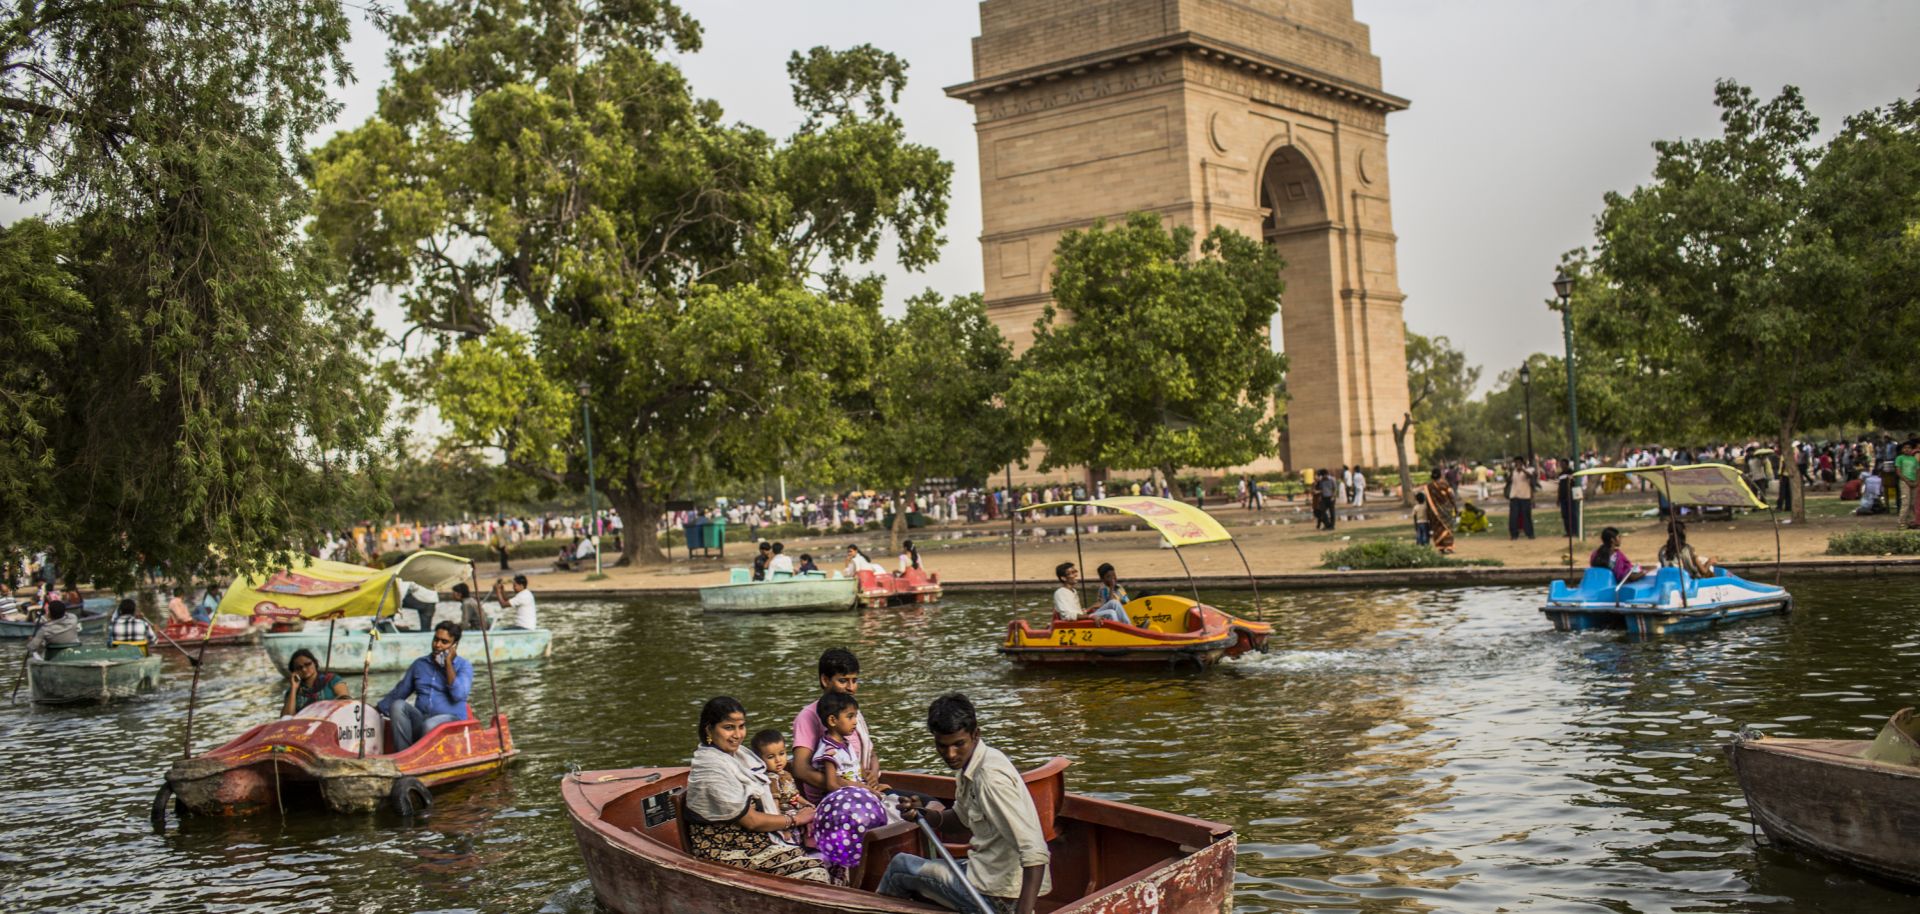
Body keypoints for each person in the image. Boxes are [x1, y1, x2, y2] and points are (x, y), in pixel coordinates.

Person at [881, 693, 1050, 914]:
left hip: (999, 897)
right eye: (943, 746)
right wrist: (922, 815)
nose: (950, 754)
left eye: (958, 744)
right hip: (986, 874)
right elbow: (960, 820)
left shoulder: (989, 779)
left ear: (975, 734)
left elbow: (1035, 851)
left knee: (899, 867)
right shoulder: (974, 762)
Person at [685, 696, 828, 882]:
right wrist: (795, 819)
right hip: (726, 847)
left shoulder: (738, 754)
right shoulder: (710, 767)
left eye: (741, 726)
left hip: (753, 838)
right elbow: (751, 821)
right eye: (728, 727)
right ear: (709, 729)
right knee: (816, 871)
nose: (737, 735)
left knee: (832, 852)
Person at [792, 648, 878, 804]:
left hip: (863, 789)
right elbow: (800, 769)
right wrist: (852, 787)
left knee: (920, 803)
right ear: (825, 680)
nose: (851, 688)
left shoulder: (852, 711)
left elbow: (870, 753)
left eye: (855, 680)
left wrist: (873, 774)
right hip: (833, 800)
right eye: (843, 680)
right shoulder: (808, 716)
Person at [376, 621, 473, 752]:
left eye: (444, 642)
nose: (437, 645)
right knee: (398, 705)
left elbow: (458, 695)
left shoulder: (463, 666)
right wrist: (376, 709)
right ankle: (404, 755)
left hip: (451, 722)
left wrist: (448, 664)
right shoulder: (420, 664)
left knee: (430, 725)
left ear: (454, 646)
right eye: (436, 640)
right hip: (422, 721)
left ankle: (418, 756)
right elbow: (400, 692)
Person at [811, 691, 883, 794]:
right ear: (832, 720)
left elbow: (859, 768)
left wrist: (872, 786)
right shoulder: (830, 750)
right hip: (845, 798)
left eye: (855, 716)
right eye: (850, 717)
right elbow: (831, 785)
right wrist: (859, 794)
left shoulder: (846, 743)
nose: (855, 722)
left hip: (859, 790)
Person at [751, 728, 812, 845]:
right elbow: (775, 805)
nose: (778, 760)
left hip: (795, 809)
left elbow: (795, 795)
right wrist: (783, 827)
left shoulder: (786, 774)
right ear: (759, 759)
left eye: (782, 753)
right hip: (786, 815)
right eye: (770, 757)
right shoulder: (772, 779)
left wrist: (807, 804)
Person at [1050, 562, 1127, 626]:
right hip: (1077, 624)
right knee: (1111, 613)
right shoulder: (1060, 593)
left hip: (1082, 618)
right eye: (1072, 573)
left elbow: (1077, 612)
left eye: (1075, 571)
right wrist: (1091, 616)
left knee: (1114, 603)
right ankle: (1121, 633)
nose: (1076, 575)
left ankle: (1129, 628)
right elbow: (1068, 616)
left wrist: (1087, 610)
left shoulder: (1073, 591)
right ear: (1063, 578)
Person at [281, 647, 350, 716]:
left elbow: (345, 700)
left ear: (315, 663)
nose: (304, 669)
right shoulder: (293, 691)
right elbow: (286, 718)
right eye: (299, 668)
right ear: (294, 672)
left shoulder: (332, 680)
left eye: (307, 664)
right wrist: (294, 688)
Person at [1505, 459, 1537, 540]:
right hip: (1514, 496)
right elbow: (1508, 481)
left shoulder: (1528, 470)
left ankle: (1530, 533)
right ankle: (1514, 534)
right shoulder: (1513, 471)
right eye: (1516, 462)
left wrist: (1522, 470)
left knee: (1526, 516)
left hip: (1525, 496)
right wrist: (1512, 472)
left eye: (1519, 462)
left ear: (1522, 463)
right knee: (1513, 516)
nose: (1517, 464)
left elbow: (1530, 476)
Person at [1425, 476, 1458, 554]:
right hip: (1447, 510)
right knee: (1448, 529)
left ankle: (1441, 548)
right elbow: (1451, 496)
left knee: (1438, 529)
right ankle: (1449, 547)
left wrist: (1428, 513)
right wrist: (1455, 507)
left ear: (1431, 477)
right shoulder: (1445, 484)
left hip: (1434, 512)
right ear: (1440, 476)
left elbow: (1428, 502)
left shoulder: (1429, 486)